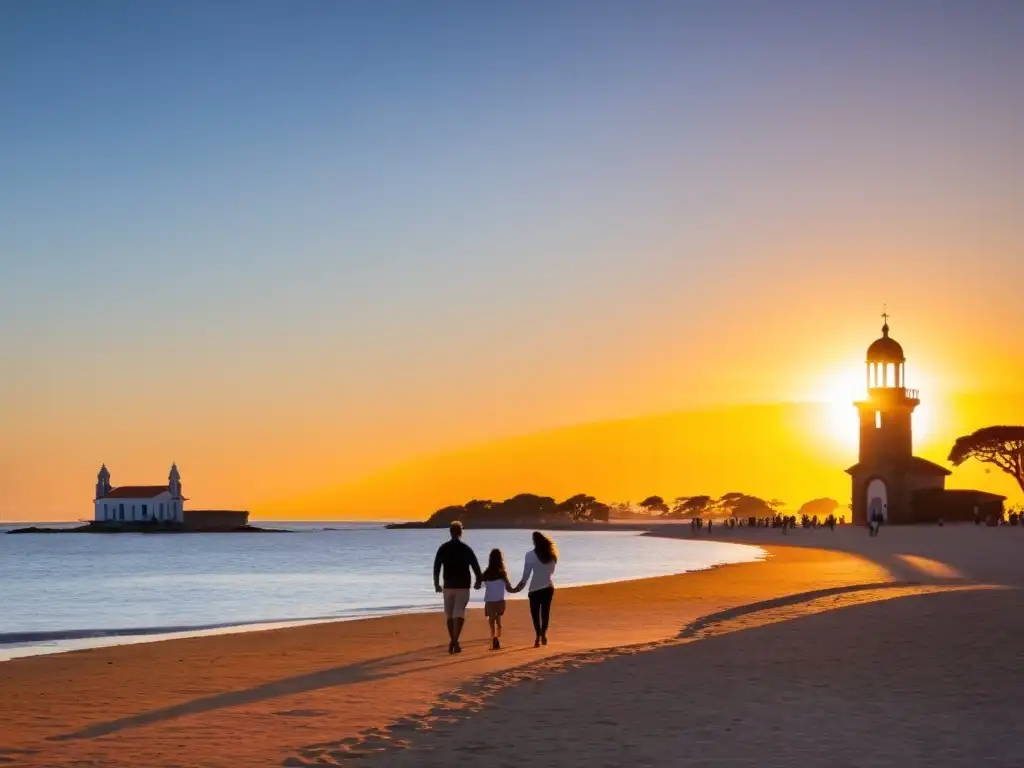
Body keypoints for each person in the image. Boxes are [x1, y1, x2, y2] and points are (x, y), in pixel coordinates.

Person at [433, 521, 482, 654]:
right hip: (463, 586)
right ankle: (455, 641)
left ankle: (453, 641)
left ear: (450, 532)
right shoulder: (466, 549)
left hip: (448, 586)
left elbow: (436, 567)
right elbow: (475, 566)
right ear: (461, 532)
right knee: (459, 613)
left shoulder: (443, 548)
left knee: (450, 615)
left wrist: (436, 583)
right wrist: (478, 580)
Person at [514, 531, 558, 648]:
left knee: (535, 614)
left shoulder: (530, 555)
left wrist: (516, 589)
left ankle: (538, 635)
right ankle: (543, 633)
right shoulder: (552, 555)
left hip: (534, 590)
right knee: (545, 613)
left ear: (534, 542)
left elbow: (525, 576)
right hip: (548, 587)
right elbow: (551, 572)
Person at [477, 548, 519, 650]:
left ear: (490, 559)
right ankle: (499, 627)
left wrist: (478, 582)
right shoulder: (502, 573)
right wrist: (517, 589)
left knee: (491, 620)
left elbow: (478, 585)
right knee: (498, 616)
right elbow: (509, 588)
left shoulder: (486, 573)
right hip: (500, 601)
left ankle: (493, 636)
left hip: (490, 601)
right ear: (501, 559)